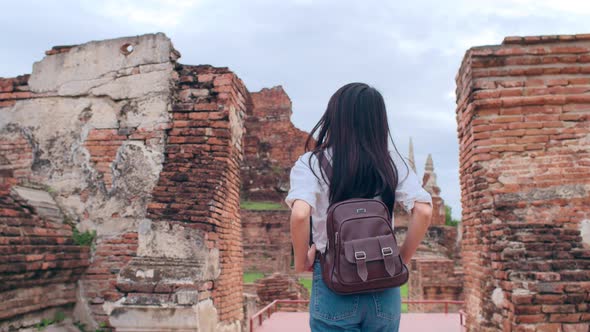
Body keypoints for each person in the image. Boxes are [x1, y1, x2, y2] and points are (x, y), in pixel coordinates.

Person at [285, 82, 433, 331]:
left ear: (335, 117)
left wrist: (301, 261)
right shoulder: (393, 160)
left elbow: (300, 214)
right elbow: (424, 210)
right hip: (384, 278)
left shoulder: (311, 162)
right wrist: (402, 258)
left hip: (334, 279)